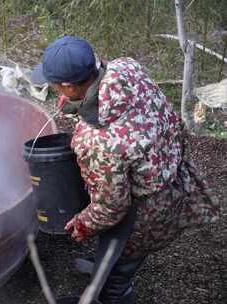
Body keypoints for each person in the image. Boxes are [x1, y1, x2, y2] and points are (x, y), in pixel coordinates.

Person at [32, 36, 219, 304]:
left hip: (145, 214)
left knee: (118, 275)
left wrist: (83, 224)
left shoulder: (96, 141)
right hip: (168, 170)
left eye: (55, 85)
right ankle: (101, 265)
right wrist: (76, 105)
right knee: (113, 257)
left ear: (69, 86)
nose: (53, 89)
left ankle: (117, 289)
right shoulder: (126, 67)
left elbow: (112, 208)